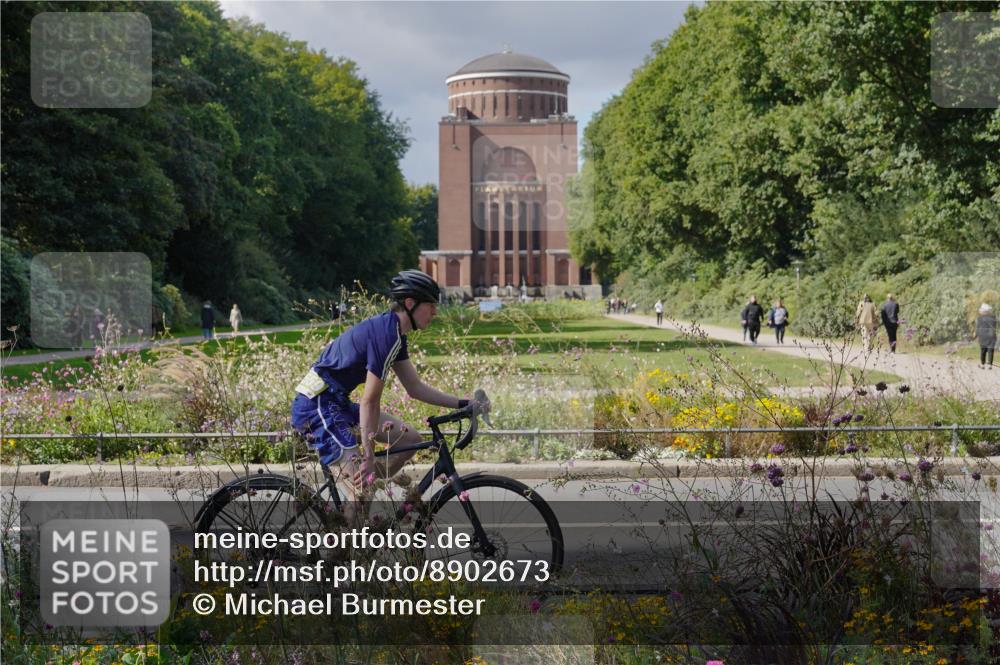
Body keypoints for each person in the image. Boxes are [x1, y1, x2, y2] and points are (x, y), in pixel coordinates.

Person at [290, 270, 487, 499]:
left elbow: (414, 387)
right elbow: (370, 401)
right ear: (411, 303)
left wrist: (464, 403)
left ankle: (364, 488)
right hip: (316, 406)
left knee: (411, 440)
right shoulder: (387, 335)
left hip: (335, 401)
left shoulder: (394, 334)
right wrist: (369, 456)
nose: (435, 311)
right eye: (431, 305)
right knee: (362, 492)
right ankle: (354, 512)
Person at [974, 303, 997, 369]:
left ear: (983, 311)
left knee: (983, 350)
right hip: (991, 336)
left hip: (982, 336)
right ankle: (990, 365)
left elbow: (978, 328)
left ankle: (982, 364)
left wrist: (977, 336)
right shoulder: (993, 318)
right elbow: (994, 327)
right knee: (990, 350)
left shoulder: (979, 318)